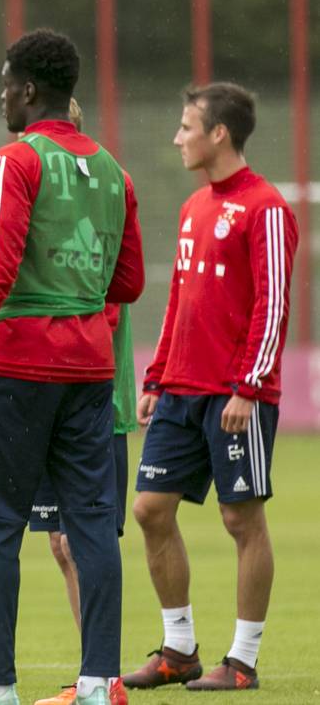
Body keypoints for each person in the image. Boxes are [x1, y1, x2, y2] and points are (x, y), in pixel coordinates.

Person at [0, 29, 145, 705]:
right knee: (90, 523)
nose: (1, 98)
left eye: (4, 87)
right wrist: (76, 305)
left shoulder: (15, 160)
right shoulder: (114, 171)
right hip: (90, 372)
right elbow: (129, 281)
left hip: (17, 366)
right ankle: (100, 679)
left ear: (27, 89)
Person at [121, 82, 297, 692]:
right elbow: (180, 299)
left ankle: (242, 660)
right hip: (181, 391)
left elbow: (274, 304)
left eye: (186, 125)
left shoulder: (267, 207)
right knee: (148, 510)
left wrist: (248, 386)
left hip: (235, 395)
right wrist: (157, 374)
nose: (177, 137)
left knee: (240, 517)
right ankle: (179, 650)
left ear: (218, 133)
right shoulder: (195, 206)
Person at [32, 99, 133, 705]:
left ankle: (105, 679)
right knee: (61, 542)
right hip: (51, 393)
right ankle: (94, 678)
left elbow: (110, 299)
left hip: (94, 400)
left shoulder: (105, 192)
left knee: (85, 538)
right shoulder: (46, 193)